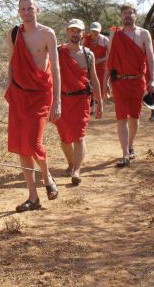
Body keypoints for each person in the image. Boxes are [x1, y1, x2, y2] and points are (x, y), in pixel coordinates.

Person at [5, 0, 61, 212]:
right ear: (19, 12)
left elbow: (55, 68)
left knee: (34, 143)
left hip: (40, 95)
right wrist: (9, 89)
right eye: (23, 9)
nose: (27, 12)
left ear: (38, 10)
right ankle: (33, 197)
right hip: (19, 95)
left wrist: (57, 101)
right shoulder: (14, 33)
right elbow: (11, 64)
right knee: (22, 147)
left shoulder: (48, 34)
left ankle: (47, 178)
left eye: (30, 8)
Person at [103, 5, 154, 167]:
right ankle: (125, 153)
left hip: (137, 81)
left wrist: (152, 79)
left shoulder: (143, 33)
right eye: (124, 13)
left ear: (136, 15)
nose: (127, 15)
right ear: (121, 16)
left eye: (130, 13)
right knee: (121, 117)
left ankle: (130, 144)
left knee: (134, 116)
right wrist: (105, 81)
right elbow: (109, 57)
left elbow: (151, 58)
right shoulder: (115, 33)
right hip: (119, 81)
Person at [55, 19, 103, 185]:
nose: (75, 34)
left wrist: (99, 102)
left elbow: (95, 79)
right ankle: (70, 163)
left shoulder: (88, 54)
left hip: (82, 100)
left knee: (79, 136)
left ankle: (76, 170)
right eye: (72, 31)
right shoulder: (58, 52)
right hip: (62, 100)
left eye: (79, 31)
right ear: (68, 32)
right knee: (64, 138)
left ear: (83, 34)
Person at [83, 22, 109, 117]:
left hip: (101, 68)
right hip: (89, 68)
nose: (95, 33)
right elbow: (82, 52)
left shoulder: (105, 40)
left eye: (97, 31)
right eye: (93, 31)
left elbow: (109, 55)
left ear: (100, 31)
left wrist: (100, 60)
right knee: (89, 88)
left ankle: (99, 110)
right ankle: (91, 110)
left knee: (100, 88)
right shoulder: (85, 39)